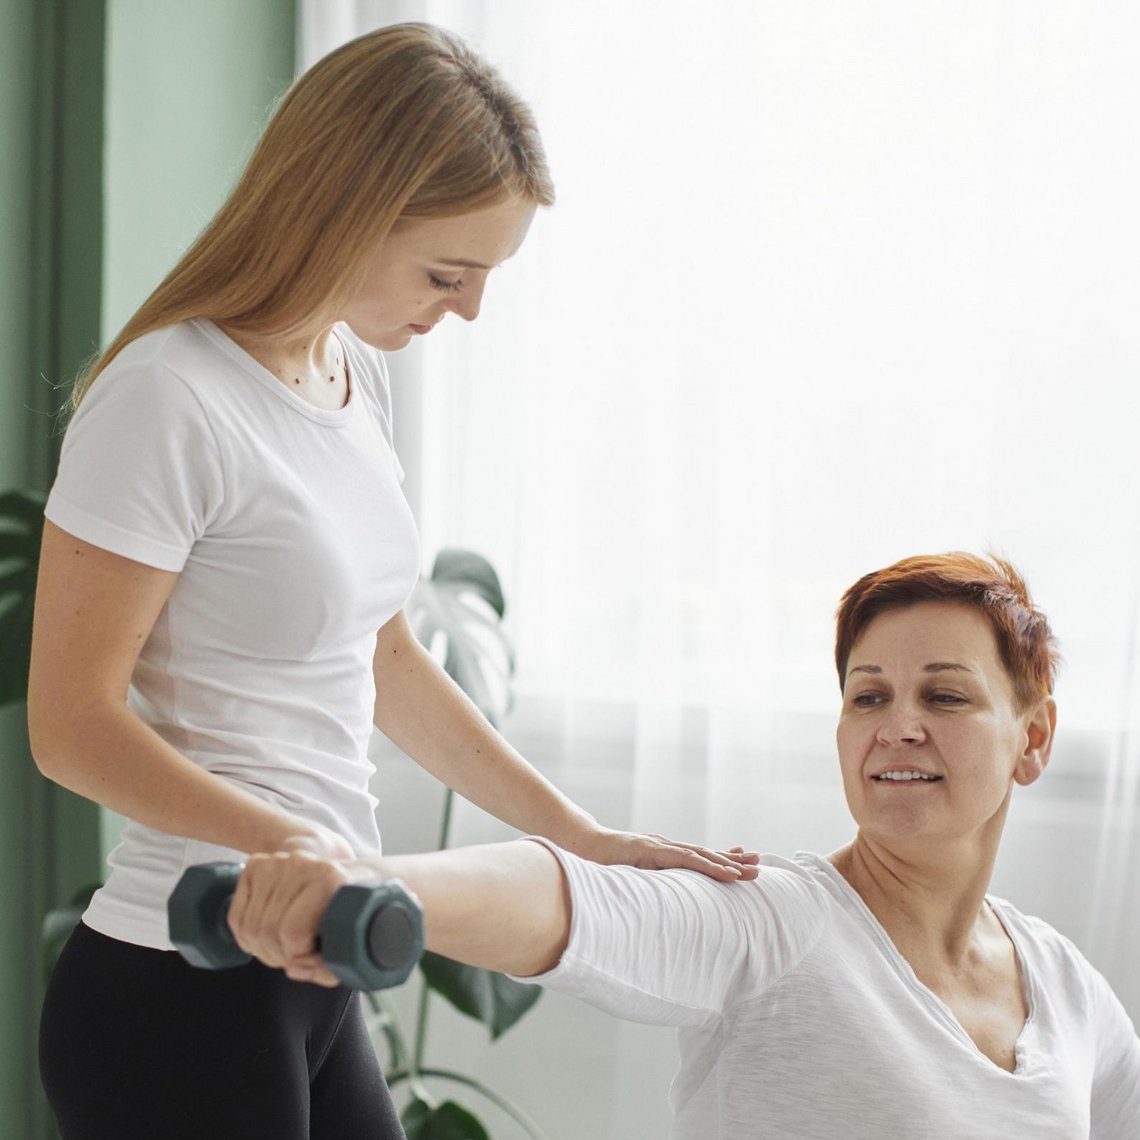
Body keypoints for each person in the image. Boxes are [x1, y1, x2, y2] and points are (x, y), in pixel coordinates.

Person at [28, 23, 756, 1140]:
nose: (465, 310)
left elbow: (386, 653)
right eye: (447, 272)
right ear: (345, 209)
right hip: (179, 980)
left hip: (311, 963)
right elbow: (70, 724)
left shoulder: (346, 372)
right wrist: (289, 840)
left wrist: (583, 839)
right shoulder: (168, 396)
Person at [228, 552, 1140, 1138]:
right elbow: (566, 901)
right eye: (868, 696)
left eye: (944, 697)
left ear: (1035, 737)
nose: (896, 726)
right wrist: (366, 886)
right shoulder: (779, 922)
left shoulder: (1067, 993)